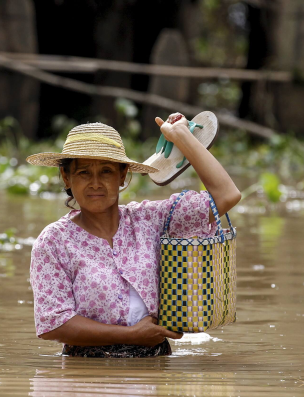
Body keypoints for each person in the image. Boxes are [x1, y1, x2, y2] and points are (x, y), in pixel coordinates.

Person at [25, 113, 242, 358]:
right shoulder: (54, 241)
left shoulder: (150, 220)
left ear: (122, 176)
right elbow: (53, 324)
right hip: (86, 374)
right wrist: (131, 335)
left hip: (155, 363)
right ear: (67, 177)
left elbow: (226, 195)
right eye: (84, 172)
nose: (95, 183)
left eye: (106, 171)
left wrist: (181, 136)